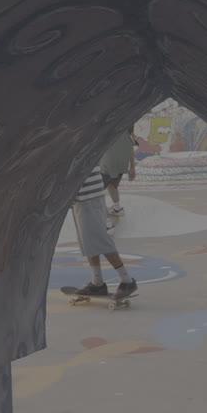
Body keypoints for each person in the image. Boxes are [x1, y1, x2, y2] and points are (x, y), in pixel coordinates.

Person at [69, 165, 138, 302]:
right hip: (82, 195)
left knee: (100, 240)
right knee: (88, 241)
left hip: (88, 194)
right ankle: (97, 282)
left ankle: (127, 281)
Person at [99, 127, 137, 218]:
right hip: (121, 164)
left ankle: (106, 222)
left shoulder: (103, 129)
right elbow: (131, 148)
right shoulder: (125, 129)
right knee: (111, 185)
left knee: (97, 191)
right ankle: (117, 208)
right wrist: (132, 167)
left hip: (106, 164)